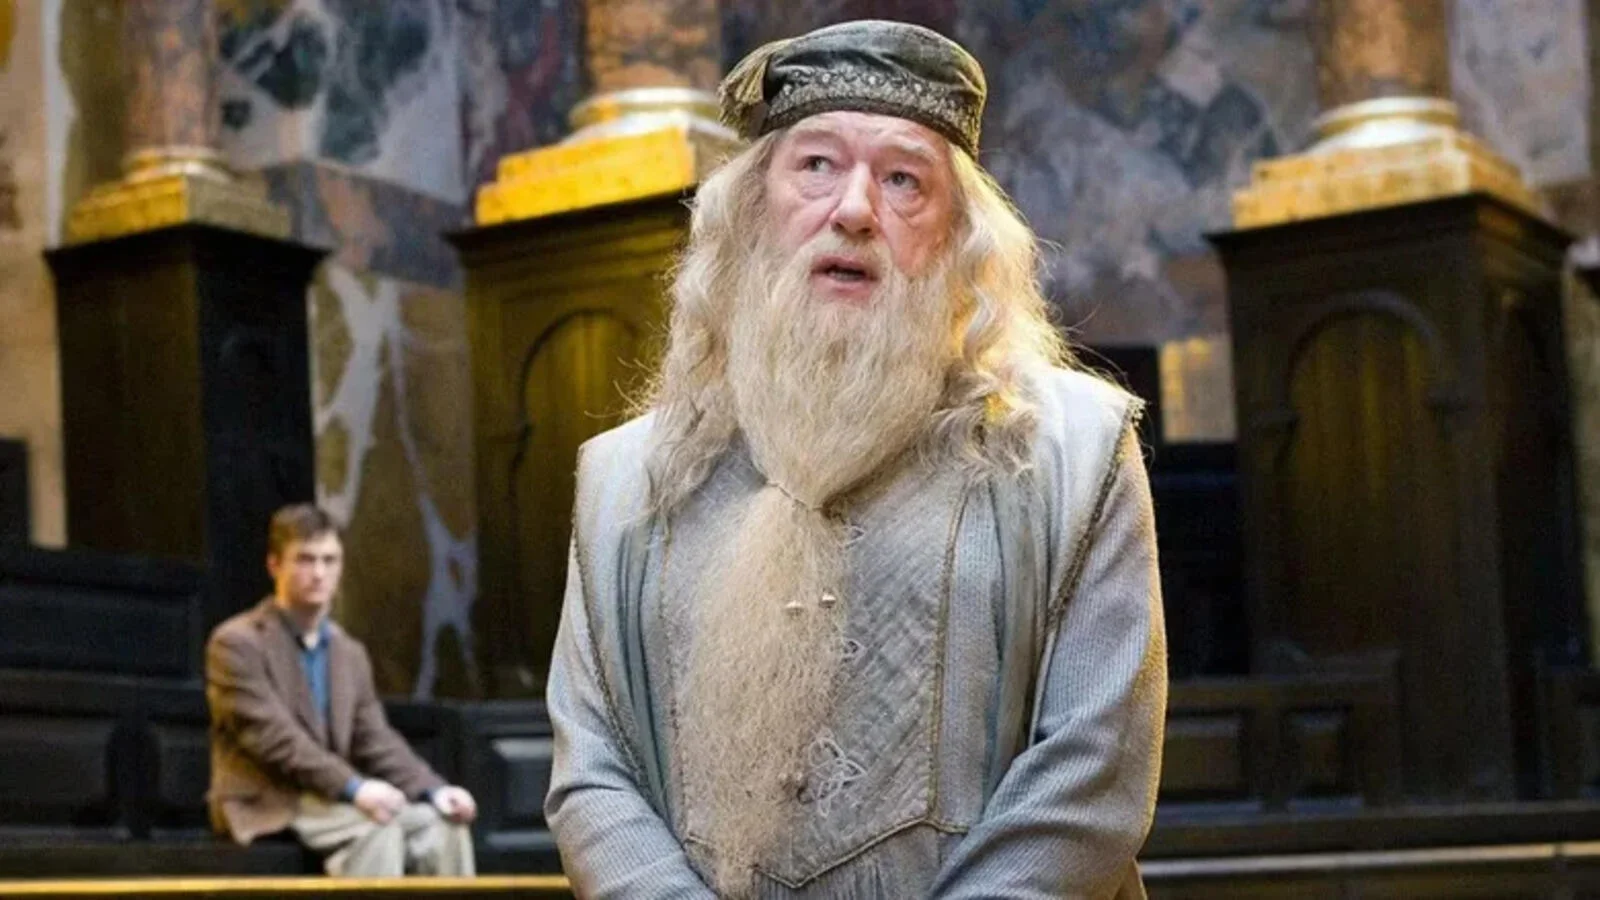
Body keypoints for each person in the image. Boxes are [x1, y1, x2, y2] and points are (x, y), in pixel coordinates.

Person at [545, 18, 1168, 900]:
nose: (853, 209)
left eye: (904, 179)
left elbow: (1093, 769)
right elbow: (592, 772)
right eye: (816, 165)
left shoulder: (1079, 450)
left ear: (958, 235)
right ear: (752, 212)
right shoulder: (623, 480)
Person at [205, 504, 478, 877]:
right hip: (269, 800)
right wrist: (355, 788)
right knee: (379, 827)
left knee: (444, 826)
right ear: (274, 565)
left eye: (329, 560)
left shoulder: (348, 652)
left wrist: (433, 790)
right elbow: (274, 739)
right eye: (305, 559)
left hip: (330, 799)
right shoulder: (237, 643)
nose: (319, 573)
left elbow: (374, 738)